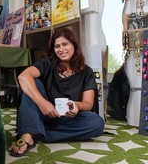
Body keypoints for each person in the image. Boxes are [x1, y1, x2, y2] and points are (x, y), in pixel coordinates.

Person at [10, 27, 105, 157]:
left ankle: (35, 132)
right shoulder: (48, 63)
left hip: (68, 119)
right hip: (42, 114)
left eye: (65, 44)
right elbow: (23, 76)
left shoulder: (86, 72)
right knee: (33, 83)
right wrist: (43, 103)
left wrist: (77, 106)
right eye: (57, 46)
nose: (61, 49)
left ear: (74, 45)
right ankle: (29, 133)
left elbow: (88, 103)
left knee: (97, 123)